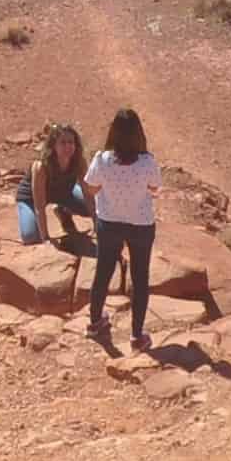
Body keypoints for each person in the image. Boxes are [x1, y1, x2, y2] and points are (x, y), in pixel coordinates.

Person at [83, 107, 159, 353]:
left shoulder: (102, 160)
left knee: (103, 272)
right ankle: (137, 336)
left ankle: (95, 323)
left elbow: (91, 188)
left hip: (109, 222)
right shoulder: (147, 162)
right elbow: (154, 188)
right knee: (140, 277)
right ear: (138, 133)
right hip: (140, 224)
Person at [20, 120, 92, 244]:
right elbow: (39, 206)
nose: (68, 147)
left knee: (90, 208)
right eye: (62, 143)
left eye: (71, 142)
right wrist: (46, 238)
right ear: (53, 145)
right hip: (31, 198)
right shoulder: (41, 166)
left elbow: (88, 195)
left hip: (64, 193)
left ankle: (63, 212)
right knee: (30, 236)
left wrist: (97, 226)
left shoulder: (79, 162)